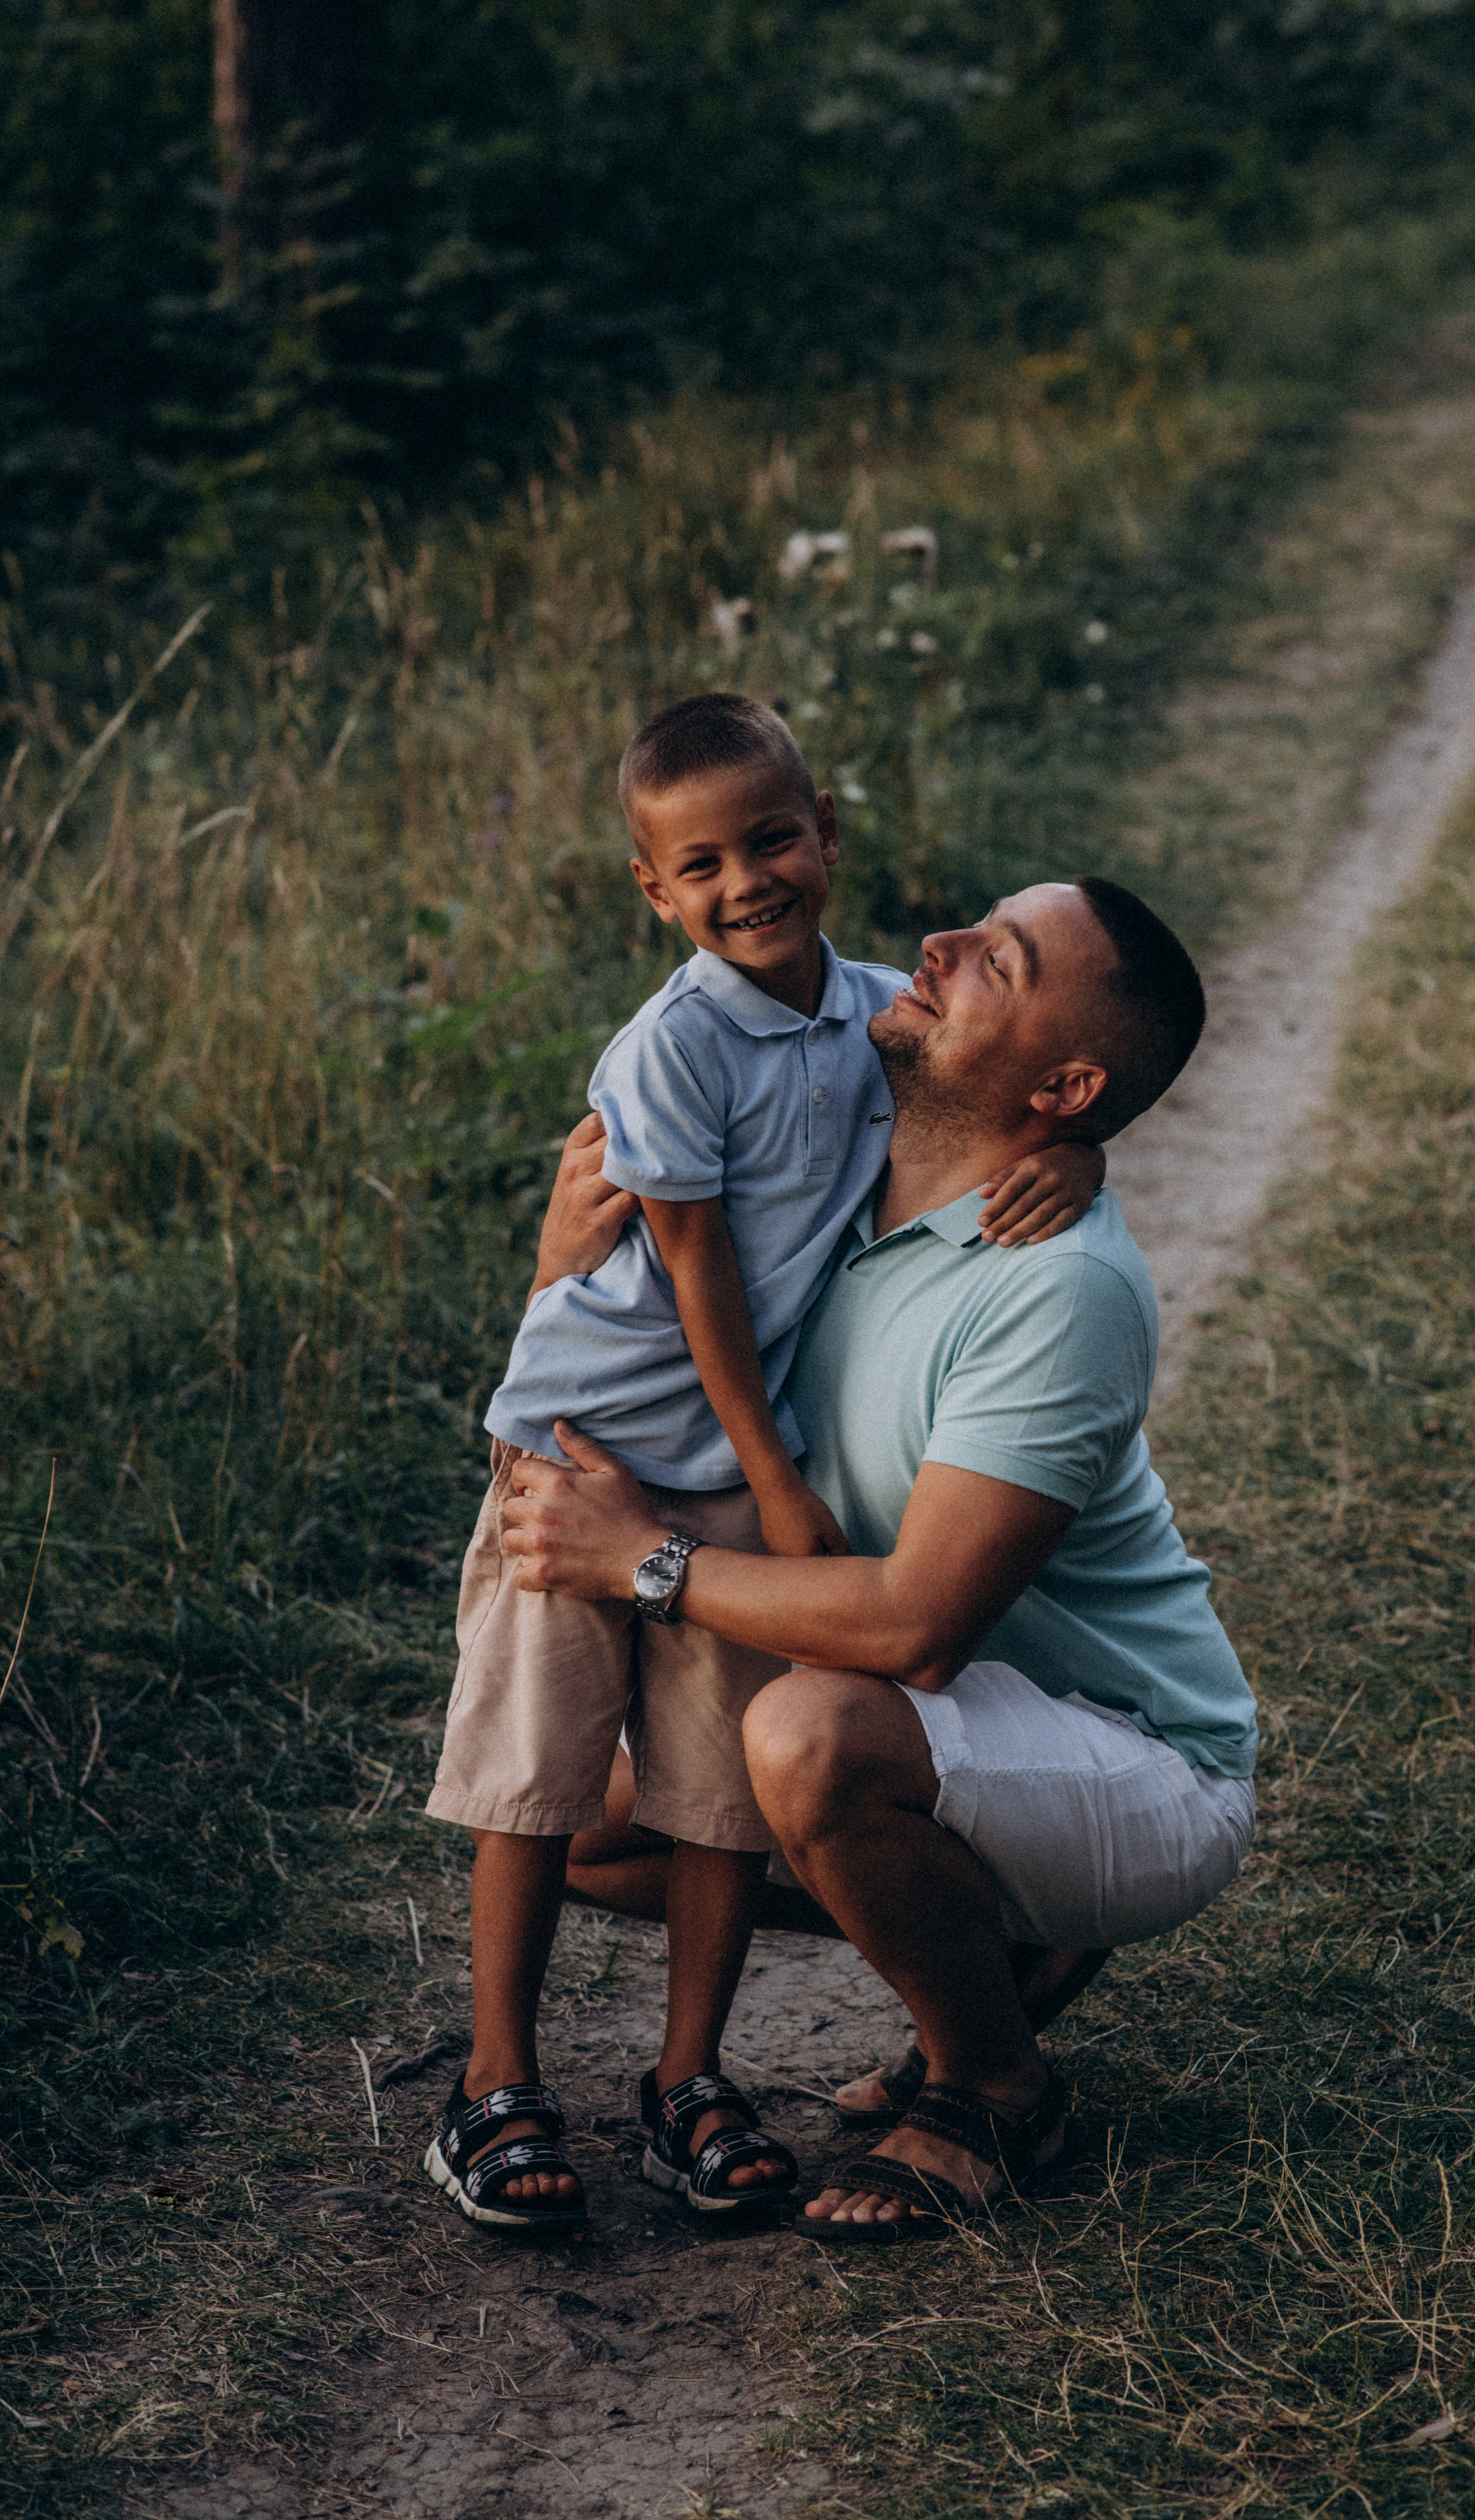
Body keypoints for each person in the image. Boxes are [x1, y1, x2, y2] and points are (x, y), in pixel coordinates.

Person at [422, 694, 1104, 2231]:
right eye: (704, 862)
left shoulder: (869, 1011)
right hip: (591, 1448)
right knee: (535, 1771)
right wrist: (777, 1482)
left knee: (716, 1783)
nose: (748, 881)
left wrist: (1078, 1149)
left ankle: (687, 2077)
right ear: (654, 892)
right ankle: (496, 2080)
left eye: (773, 838)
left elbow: (1010, 1087)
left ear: (827, 834)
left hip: (722, 1475)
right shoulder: (669, 1045)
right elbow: (698, 1279)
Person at [499, 874, 1260, 2236]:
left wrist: (646, 1562)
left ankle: (991, 2083)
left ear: (1065, 1084)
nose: (939, 946)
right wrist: (562, 1249)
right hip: (964, 1731)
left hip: (1141, 1758)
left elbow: (915, 1628)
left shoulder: (1058, 1285)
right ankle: (1007, 1932)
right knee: (583, 1822)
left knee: (802, 1736)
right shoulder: (842, 1179)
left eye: (996, 965)